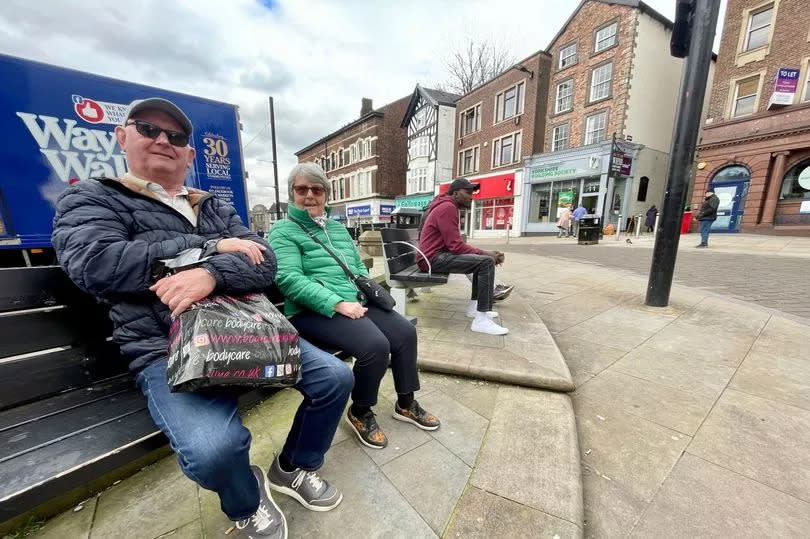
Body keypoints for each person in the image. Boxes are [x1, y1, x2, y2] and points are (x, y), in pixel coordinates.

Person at [51, 98, 353, 539]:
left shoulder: (213, 206)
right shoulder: (93, 198)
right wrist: (210, 251)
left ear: (189, 154)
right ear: (122, 136)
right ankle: (246, 501)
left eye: (176, 137)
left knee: (334, 378)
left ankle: (293, 466)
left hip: (249, 331)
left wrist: (210, 276)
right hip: (166, 346)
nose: (163, 141)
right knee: (214, 451)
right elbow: (96, 264)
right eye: (148, 129)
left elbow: (264, 263)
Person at [270, 163, 440, 451]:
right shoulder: (283, 231)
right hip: (311, 311)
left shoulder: (337, 228)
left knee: (403, 333)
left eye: (317, 189)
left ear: (326, 195)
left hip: (355, 302)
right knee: (374, 345)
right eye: (302, 189)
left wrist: (363, 293)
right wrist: (336, 303)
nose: (310, 195)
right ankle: (360, 411)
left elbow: (357, 265)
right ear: (292, 194)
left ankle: (406, 402)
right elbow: (288, 279)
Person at [418, 178, 509, 336]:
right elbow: (456, 246)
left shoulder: (447, 205)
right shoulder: (447, 207)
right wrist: (487, 254)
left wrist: (484, 253)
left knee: (482, 261)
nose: (471, 196)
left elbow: (454, 245)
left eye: (472, 193)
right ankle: (481, 320)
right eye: (467, 192)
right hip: (432, 259)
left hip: (434, 256)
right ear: (455, 193)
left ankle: (475, 308)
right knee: (485, 262)